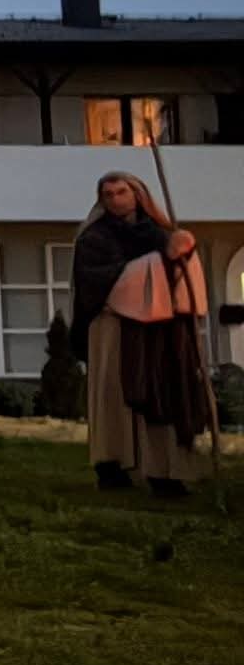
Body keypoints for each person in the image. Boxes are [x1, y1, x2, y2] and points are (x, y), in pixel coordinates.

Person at [72, 171, 209, 497]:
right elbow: (100, 282)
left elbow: (182, 279)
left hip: (160, 334)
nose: (115, 199)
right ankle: (113, 466)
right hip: (114, 329)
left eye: (122, 192)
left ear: (138, 195)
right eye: (108, 194)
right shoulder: (94, 239)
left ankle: (163, 471)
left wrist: (184, 254)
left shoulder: (160, 234)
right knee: (115, 396)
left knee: (161, 395)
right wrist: (162, 261)